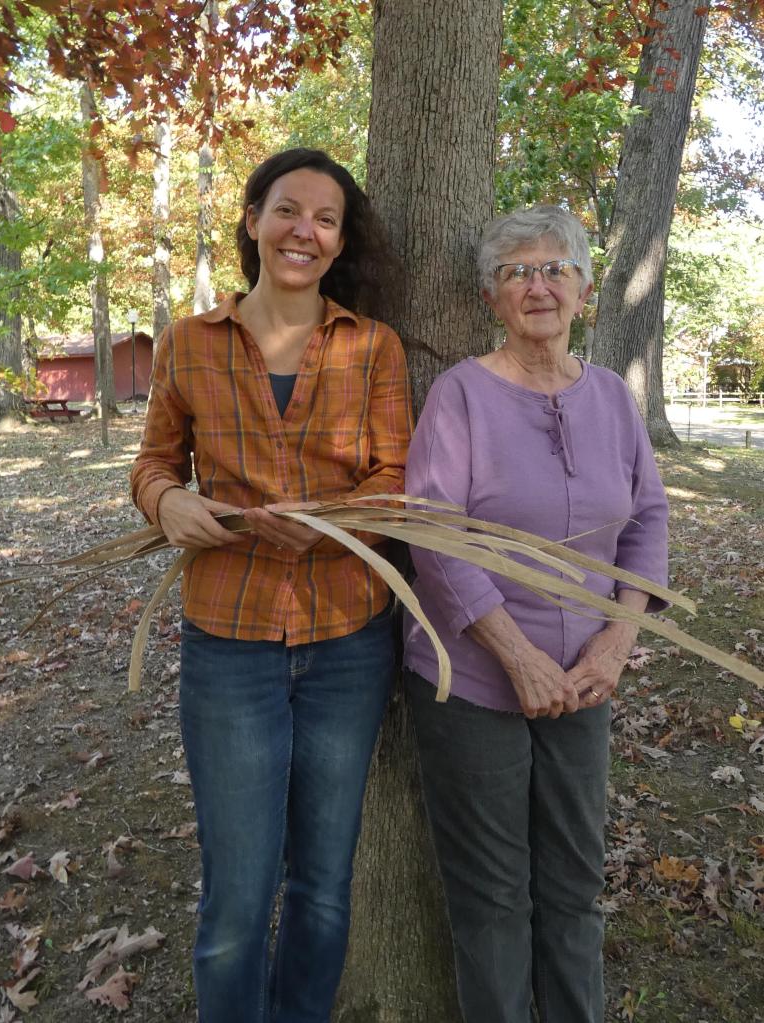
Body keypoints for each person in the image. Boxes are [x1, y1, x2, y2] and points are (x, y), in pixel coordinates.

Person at [131, 148, 412, 1023]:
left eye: (325, 219)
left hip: (347, 643)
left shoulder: (372, 346)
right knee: (236, 902)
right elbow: (151, 463)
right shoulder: (188, 343)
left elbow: (396, 479)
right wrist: (167, 500)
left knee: (324, 887)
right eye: (289, 210)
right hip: (230, 645)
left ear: (338, 241)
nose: (306, 231)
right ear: (253, 220)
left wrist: (334, 520)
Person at [403, 205, 669, 1023]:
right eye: (517, 271)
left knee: (575, 884)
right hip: (475, 676)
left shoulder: (614, 401)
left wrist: (618, 642)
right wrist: (518, 656)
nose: (538, 285)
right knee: (492, 894)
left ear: (585, 290)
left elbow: (648, 515)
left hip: (587, 678)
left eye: (556, 268)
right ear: (492, 296)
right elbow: (433, 533)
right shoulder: (460, 396)